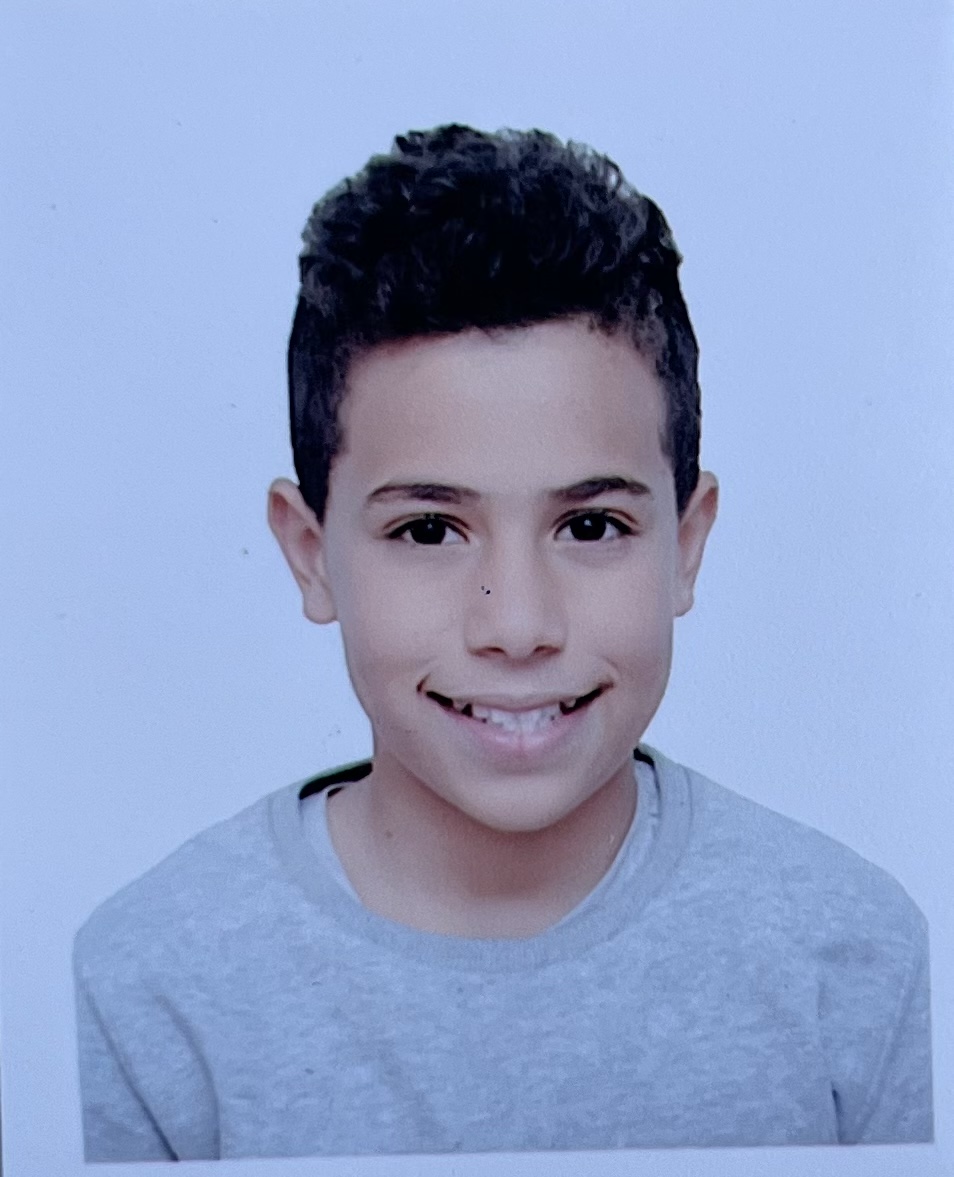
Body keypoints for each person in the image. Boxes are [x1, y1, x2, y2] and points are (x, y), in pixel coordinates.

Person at [73, 124, 932, 1161]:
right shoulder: (148, 993)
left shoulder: (855, 964)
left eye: (591, 526)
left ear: (687, 543)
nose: (518, 625)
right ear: (310, 554)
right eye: (429, 531)